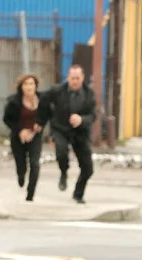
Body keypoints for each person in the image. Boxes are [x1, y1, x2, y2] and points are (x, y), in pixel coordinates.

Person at [37, 65, 97, 204]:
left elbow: (93, 115)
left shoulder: (89, 94)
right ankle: (63, 173)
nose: (75, 81)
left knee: (88, 168)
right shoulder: (57, 91)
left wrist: (81, 119)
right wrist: (41, 121)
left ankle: (78, 194)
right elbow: (43, 101)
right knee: (61, 151)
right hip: (60, 129)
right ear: (67, 78)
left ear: (82, 78)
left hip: (80, 132)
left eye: (77, 78)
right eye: (72, 78)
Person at [3, 74, 43, 202]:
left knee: (35, 163)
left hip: (35, 136)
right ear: (21, 87)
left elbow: (48, 115)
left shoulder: (42, 100)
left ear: (36, 85)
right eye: (26, 84)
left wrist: (40, 124)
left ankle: (30, 194)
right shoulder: (14, 101)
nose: (29, 87)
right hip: (18, 137)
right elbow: (7, 119)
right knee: (21, 164)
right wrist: (20, 130)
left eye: (31, 84)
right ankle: (21, 175)